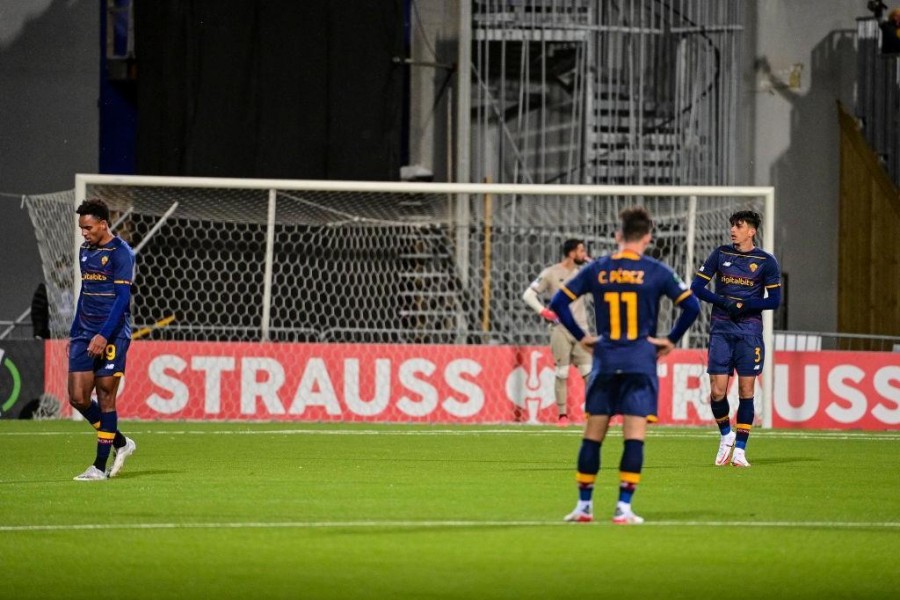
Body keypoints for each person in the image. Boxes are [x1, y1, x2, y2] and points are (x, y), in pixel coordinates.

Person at [550, 207, 700, 525]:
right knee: (634, 437)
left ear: (618, 236)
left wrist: (582, 337)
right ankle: (623, 508)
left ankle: (583, 507)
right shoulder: (657, 270)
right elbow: (691, 305)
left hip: (605, 360)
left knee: (593, 436)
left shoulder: (599, 269)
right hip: (639, 361)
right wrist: (671, 339)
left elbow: (558, 303)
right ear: (647, 237)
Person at [690, 210, 781, 468]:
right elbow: (696, 287)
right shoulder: (720, 254)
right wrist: (724, 302)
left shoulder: (766, 261)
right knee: (717, 392)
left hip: (749, 331)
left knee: (746, 390)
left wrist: (746, 305)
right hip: (721, 328)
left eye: (738, 226)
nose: (733, 230)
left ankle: (740, 450)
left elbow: (774, 301)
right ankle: (726, 435)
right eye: (732, 225)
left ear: (751, 231)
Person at [68, 198, 137, 481]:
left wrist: (102, 335)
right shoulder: (85, 251)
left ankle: (98, 466)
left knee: (106, 396)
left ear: (103, 224)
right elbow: (86, 293)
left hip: (112, 334)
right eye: (81, 228)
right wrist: (77, 331)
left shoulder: (122, 253)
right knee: (78, 397)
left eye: (88, 227)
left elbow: (122, 300)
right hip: (83, 333)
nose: (84, 233)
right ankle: (120, 442)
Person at [522, 239, 593, 425]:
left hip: (581, 330)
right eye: (581, 250)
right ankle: (562, 416)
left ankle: (593, 413)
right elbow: (528, 294)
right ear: (571, 253)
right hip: (560, 329)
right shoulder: (551, 273)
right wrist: (543, 311)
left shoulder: (583, 273)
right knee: (562, 372)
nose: (584, 254)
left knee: (589, 372)